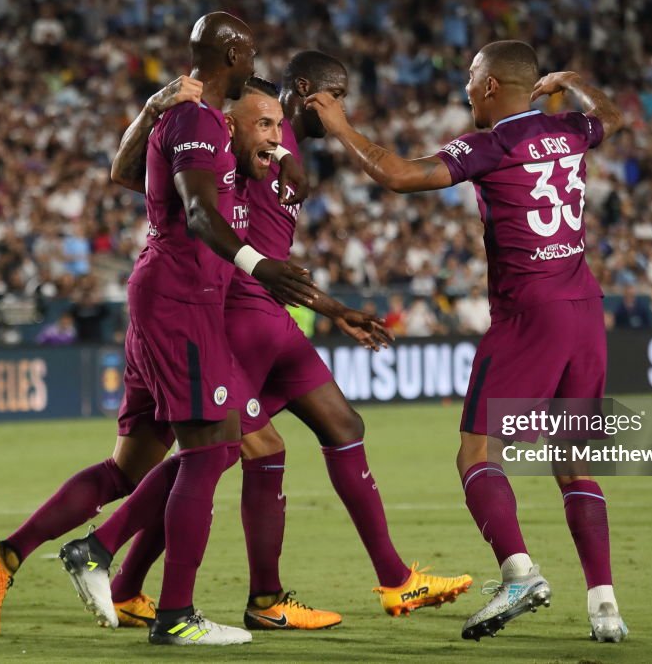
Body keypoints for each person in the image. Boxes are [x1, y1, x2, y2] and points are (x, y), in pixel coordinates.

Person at [0, 12, 317, 646]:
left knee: (129, 467)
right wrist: (260, 264)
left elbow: (126, 174)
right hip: (180, 299)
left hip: (171, 297)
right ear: (234, 55)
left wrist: (164, 111)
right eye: (251, 53)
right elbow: (196, 212)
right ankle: (175, 615)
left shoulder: (194, 120)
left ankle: (8, 554)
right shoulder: (199, 119)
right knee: (213, 448)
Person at [109, 56, 470, 630]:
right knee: (214, 454)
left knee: (338, 427)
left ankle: (394, 580)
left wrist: (334, 308)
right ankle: (122, 566)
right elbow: (224, 218)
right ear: (306, 91)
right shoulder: (250, 139)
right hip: (239, 315)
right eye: (336, 95)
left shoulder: (278, 148)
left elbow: (271, 239)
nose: (342, 106)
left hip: (269, 313)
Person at [307, 41, 628, 642]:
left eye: (469, 77)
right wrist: (577, 79)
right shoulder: (571, 127)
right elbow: (612, 118)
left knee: (476, 453)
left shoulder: (494, 144)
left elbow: (398, 175)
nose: (463, 88)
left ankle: (518, 573)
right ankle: (605, 605)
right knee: (573, 461)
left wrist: (339, 123)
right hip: (585, 307)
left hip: (529, 313)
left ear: (487, 88)